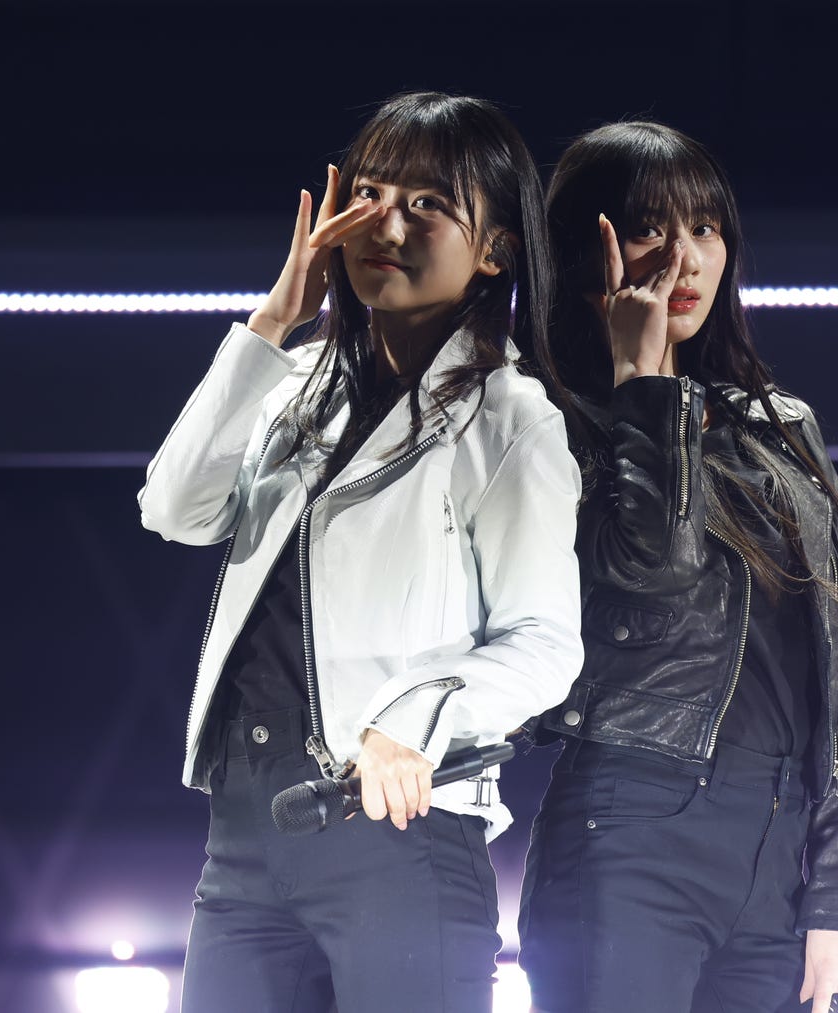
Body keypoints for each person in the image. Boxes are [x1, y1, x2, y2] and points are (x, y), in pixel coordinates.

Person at [137, 92, 583, 1013]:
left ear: (495, 249)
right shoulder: (294, 384)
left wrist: (407, 718)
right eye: (371, 194)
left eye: (428, 204)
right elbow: (174, 507)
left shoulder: (511, 417)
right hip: (245, 838)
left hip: (398, 833)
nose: (387, 223)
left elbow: (545, 643)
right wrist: (272, 324)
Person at [517, 121, 838, 1013]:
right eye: (649, 227)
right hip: (629, 824)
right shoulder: (544, 421)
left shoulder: (781, 428)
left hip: (778, 853)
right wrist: (642, 388)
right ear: (584, 249)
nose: (684, 258)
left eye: (705, 227)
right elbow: (654, 567)